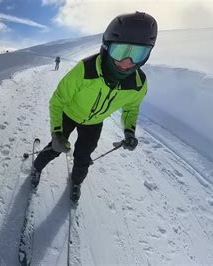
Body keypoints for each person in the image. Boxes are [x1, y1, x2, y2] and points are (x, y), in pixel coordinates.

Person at [30, 11, 158, 202]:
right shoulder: (85, 70)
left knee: (83, 157)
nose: (126, 62)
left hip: (94, 123)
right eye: (120, 51)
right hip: (69, 114)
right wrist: (57, 133)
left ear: (146, 55)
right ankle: (36, 168)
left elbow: (131, 108)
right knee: (55, 148)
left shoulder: (138, 83)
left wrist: (129, 131)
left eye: (138, 53)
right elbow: (58, 100)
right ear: (107, 48)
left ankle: (76, 182)